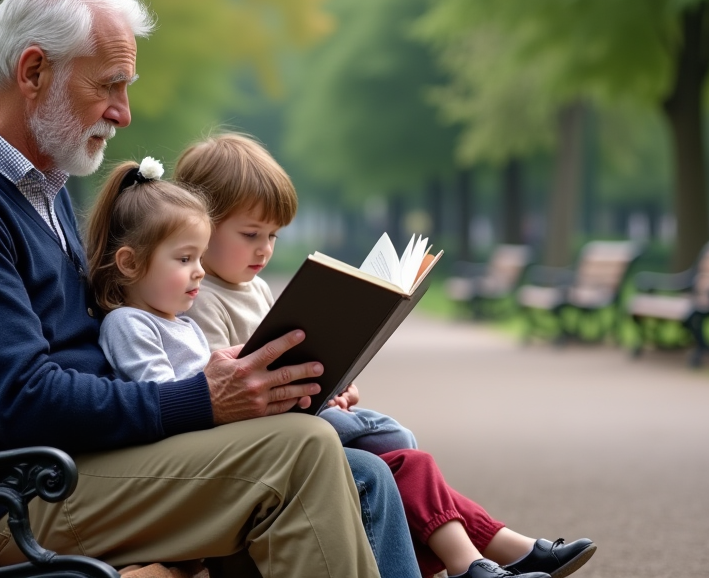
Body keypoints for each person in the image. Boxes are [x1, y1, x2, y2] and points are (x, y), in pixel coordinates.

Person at [0, 0, 417, 577]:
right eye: (110, 86)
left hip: (75, 469)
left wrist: (231, 377)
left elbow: (93, 347)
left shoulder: (36, 189)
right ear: (33, 72)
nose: (123, 113)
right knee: (301, 453)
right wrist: (200, 399)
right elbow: (23, 398)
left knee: (358, 469)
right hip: (15, 501)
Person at [174, 132, 597, 578]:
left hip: (301, 418)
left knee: (401, 454)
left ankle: (482, 559)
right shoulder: (200, 298)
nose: (265, 248)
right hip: (275, 436)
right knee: (398, 448)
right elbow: (225, 393)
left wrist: (331, 380)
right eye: (251, 234)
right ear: (202, 225)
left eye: (274, 236)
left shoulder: (254, 286)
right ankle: (487, 557)